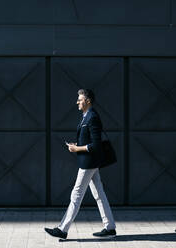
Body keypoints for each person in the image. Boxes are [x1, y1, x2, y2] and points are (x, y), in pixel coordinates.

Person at [44, 89, 116, 239]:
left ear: (88, 101)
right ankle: (109, 228)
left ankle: (62, 229)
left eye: (80, 99)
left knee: (76, 194)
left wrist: (77, 148)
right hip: (90, 162)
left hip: (88, 163)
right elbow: (89, 141)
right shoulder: (86, 117)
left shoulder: (92, 117)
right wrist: (77, 144)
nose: (77, 102)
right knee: (99, 195)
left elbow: (96, 145)